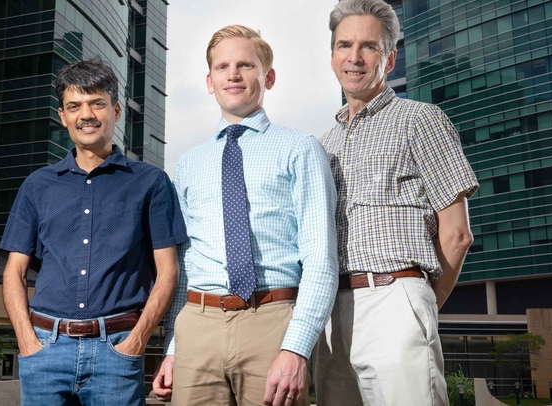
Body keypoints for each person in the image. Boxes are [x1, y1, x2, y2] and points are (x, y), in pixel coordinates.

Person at [152, 25, 338, 406]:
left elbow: (320, 259)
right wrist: (174, 346)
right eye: (222, 67)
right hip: (198, 325)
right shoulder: (188, 163)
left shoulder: (300, 149)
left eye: (245, 65)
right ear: (209, 81)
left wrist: (297, 348)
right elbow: (186, 262)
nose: (233, 75)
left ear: (267, 76)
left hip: (271, 320)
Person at [313, 0, 479, 405]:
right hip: (331, 312)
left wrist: (417, 302)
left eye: (368, 46)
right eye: (344, 45)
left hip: (395, 297)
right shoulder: (322, 143)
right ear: (332, 56)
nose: (354, 57)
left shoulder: (420, 119)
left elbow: (456, 234)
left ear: (389, 59)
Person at [0, 57, 187, 406]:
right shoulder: (37, 185)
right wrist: (26, 340)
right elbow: (15, 270)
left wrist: (136, 341)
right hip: (44, 350)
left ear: (116, 110)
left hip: (116, 352)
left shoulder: (151, 183)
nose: (86, 114)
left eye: (96, 103)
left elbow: (168, 271)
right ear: (62, 117)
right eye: (74, 106)